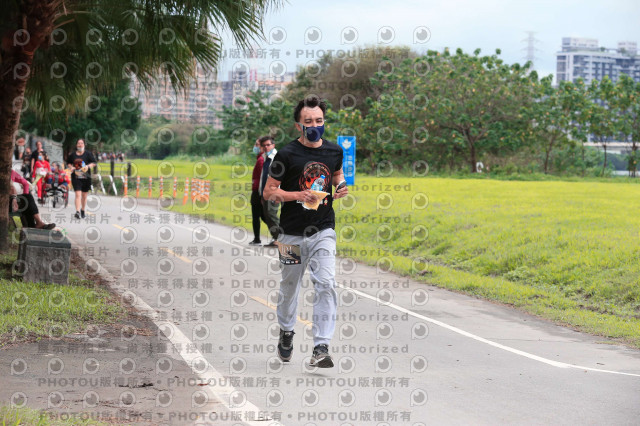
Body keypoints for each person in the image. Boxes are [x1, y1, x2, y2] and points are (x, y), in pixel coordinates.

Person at [262, 95, 349, 368]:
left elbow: (336, 174)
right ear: (298, 125)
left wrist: (341, 185)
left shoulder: (334, 151)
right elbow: (269, 192)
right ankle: (286, 331)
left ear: (324, 121)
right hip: (290, 233)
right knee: (290, 286)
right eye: (308, 121)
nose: (314, 126)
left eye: (319, 120)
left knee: (326, 283)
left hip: (323, 229)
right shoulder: (286, 154)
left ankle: (321, 346)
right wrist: (297, 194)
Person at [66, 139, 96, 219]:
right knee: (78, 194)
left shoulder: (88, 154)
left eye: (81, 143)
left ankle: (82, 210)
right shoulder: (73, 155)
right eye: (78, 143)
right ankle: (77, 212)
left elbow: (94, 163)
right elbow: (68, 163)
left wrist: (87, 166)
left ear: (84, 145)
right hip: (76, 177)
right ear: (76, 145)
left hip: (86, 177)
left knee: (84, 195)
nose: (80, 145)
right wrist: (71, 167)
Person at [259, 136, 280, 247]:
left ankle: (280, 239)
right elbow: (264, 177)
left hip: (274, 193)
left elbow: (280, 176)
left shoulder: (277, 158)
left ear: (273, 145)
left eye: (268, 145)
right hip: (266, 193)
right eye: (264, 145)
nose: (266, 147)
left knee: (271, 215)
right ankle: (276, 238)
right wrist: (261, 194)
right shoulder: (266, 158)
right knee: (267, 215)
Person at [249, 138, 267, 245]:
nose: (255, 147)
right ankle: (278, 235)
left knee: (258, 216)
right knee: (264, 216)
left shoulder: (261, 160)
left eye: (257, 144)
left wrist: (262, 195)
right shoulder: (261, 158)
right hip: (258, 190)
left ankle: (257, 239)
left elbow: (262, 177)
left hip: (258, 191)